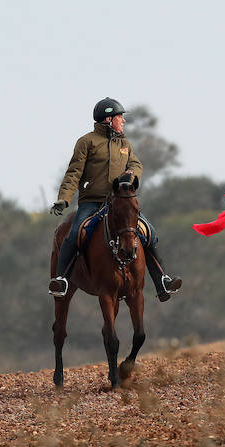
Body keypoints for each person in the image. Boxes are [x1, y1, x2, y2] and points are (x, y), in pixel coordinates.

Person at [48, 97, 182, 301]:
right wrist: (64, 198)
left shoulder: (125, 144)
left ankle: (162, 280)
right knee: (75, 233)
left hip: (118, 204)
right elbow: (74, 172)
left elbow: (136, 164)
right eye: (120, 117)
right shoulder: (86, 142)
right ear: (109, 119)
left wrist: (131, 174)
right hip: (91, 203)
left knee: (149, 232)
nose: (123, 121)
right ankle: (61, 280)